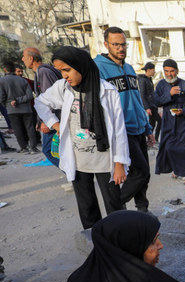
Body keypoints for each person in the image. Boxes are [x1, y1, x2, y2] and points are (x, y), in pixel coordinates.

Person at [34, 46, 130, 229]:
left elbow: (119, 129)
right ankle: (94, 242)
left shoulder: (107, 91)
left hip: (105, 159)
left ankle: (119, 242)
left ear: (81, 66)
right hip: (78, 159)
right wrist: (55, 125)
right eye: (60, 71)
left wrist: (119, 164)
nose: (64, 75)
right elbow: (40, 102)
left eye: (67, 70)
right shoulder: (63, 88)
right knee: (87, 207)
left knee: (114, 205)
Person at [94, 26, 155, 213]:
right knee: (140, 172)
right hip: (121, 130)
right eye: (116, 45)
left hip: (138, 126)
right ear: (106, 44)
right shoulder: (98, 68)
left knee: (144, 175)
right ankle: (117, 208)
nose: (121, 48)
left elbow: (136, 99)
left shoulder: (128, 68)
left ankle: (142, 209)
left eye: (123, 45)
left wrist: (147, 128)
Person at [154, 59, 185, 184]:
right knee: (169, 147)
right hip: (168, 121)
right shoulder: (161, 85)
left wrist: (183, 111)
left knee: (184, 148)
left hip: (183, 122)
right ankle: (176, 169)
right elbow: (156, 102)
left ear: (177, 71)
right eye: (166, 71)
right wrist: (169, 94)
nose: (169, 74)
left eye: (172, 71)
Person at [22, 47, 62, 165]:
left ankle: (76, 177)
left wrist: (46, 121)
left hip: (53, 120)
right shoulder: (41, 71)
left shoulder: (43, 72)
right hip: (52, 120)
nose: (22, 59)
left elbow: (49, 98)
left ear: (31, 58)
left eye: (24, 56)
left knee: (49, 150)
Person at [0, 61, 39, 153]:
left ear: (5, 69)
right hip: (26, 109)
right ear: (14, 69)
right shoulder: (23, 80)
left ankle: (23, 147)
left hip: (12, 110)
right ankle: (33, 147)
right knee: (30, 128)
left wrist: (7, 104)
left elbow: (1, 97)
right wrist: (19, 100)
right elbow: (30, 96)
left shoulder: (2, 81)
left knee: (18, 129)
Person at [138, 62, 160, 142]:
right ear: (148, 70)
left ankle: (150, 139)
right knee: (160, 122)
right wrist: (146, 107)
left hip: (153, 104)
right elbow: (142, 95)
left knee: (152, 124)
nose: (154, 72)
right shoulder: (142, 80)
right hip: (150, 106)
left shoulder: (149, 79)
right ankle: (155, 140)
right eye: (153, 70)